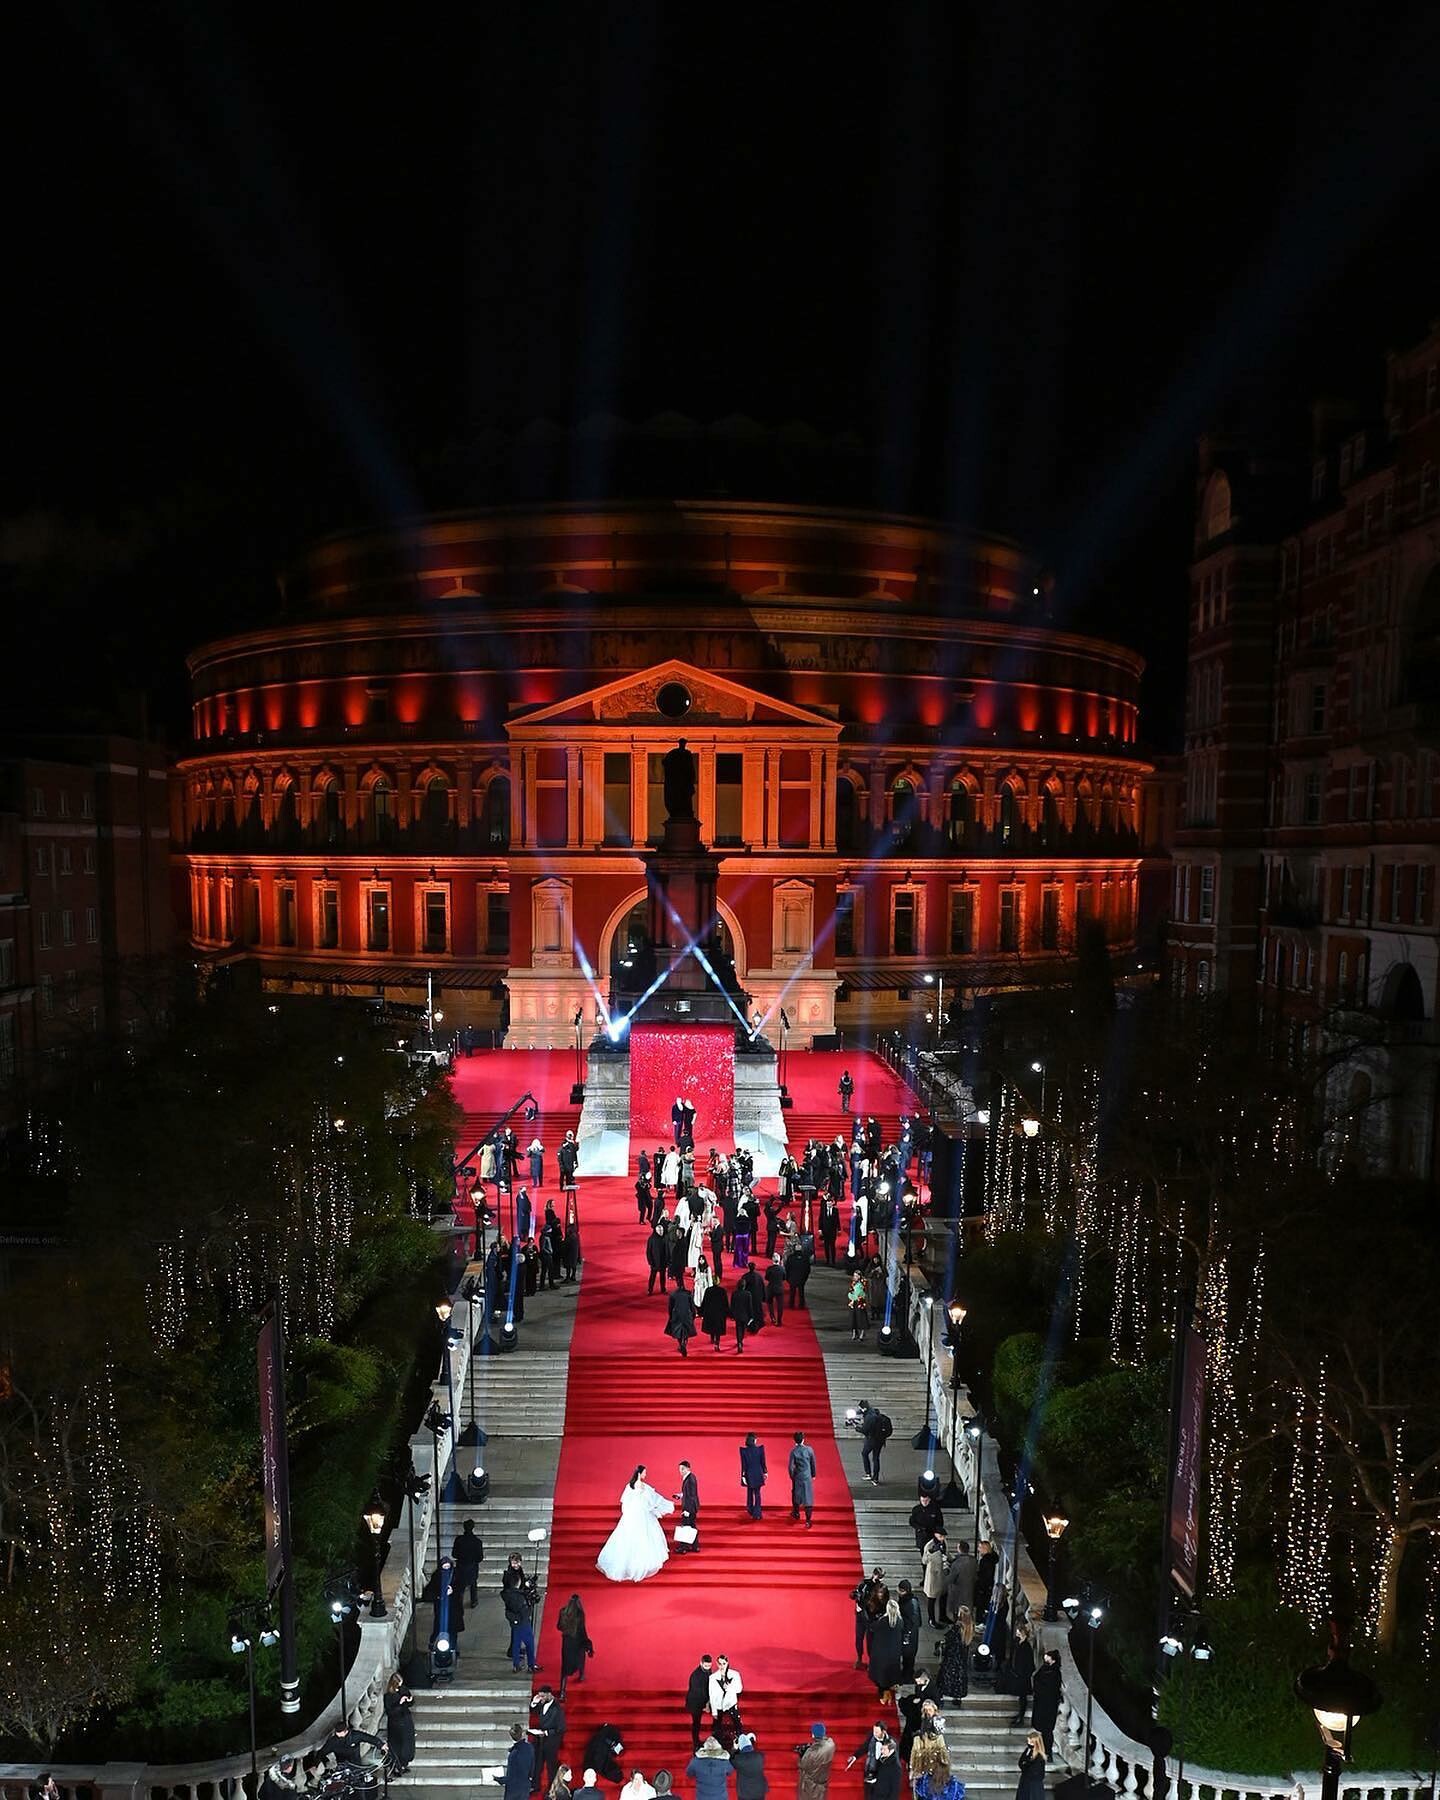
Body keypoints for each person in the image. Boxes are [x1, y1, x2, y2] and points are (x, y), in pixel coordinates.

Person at [596, 1464, 674, 1582]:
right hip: (641, 1515)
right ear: (639, 1473)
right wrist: (666, 1506)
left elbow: (625, 1502)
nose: (645, 1475)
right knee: (643, 1537)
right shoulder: (643, 1486)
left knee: (627, 1538)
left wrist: (627, 1514)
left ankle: (628, 1565)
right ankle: (639, 1565)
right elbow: (652, 1499)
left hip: (632, 1515)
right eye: (644, 1473)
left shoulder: (630, 1486)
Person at [866, 1597, 904, 1705]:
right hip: (894, 1653)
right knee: (891, 1672)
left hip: (882, 1652)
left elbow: (872, 1627)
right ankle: (889, 1692)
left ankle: (884, 1696)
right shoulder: (900, 1621)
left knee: (881, 1676)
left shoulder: (883, 1621)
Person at [557, 1593, 594, 1698]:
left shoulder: (563, 1612)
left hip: (567, 1642)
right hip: (577, 1641)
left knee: (564, 1667)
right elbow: (582, 1630)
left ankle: (562, 1692)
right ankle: (581, 1675)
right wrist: (587, 1642)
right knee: (581, 1658)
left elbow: (559, 1626)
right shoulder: (580, 1615)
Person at [505, 1566, 540, 1672]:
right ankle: (531, 1665)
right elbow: (525, 1611)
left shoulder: (508, 1594)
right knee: (530, 1643)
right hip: (523, 1623)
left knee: (516, 1644)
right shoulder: (520, 1598)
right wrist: (530, 1604)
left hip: (514, 1624)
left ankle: (516, 1665)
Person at [851, 1565, 887, 1668]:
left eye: (881, 1578)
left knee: (871, 1641)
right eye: (878, 1577)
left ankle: (872, 1662)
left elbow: (884, 1603)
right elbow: (855, 1594)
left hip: (872, 1618)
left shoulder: (882, 1588)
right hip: (861, 1616)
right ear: (874, 1574)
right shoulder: (864, 1584)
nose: (880, 1580)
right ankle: (859, 1659)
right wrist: (855, 1596)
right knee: (859, 1638)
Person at [937, 1608, 974, 1704]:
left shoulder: (958, 1627)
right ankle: (957, 1697)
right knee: (959, 1677)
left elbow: (949, 1639)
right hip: (962, 1656)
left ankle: (942, 1695)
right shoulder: (969, 1627)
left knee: (946, 1675)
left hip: (953, 1655)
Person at [907, 1706, 950, 1790]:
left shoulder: (939, 1735)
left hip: (936, 1770)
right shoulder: (918, 1737)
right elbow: (914, 1752)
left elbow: (943, 1751)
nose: (927, 1712)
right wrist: (912, 1769)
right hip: (922, 1767)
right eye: (925, 1710)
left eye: (930, 1710)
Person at [1030, 1649, 1063, 1756]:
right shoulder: (1045, 1668)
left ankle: (1047, 1751)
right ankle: (1042, 1749)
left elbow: (1052, 1688)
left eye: (1047, 1657)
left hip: (1049, 1704)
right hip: (1041, 1702)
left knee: (1047, 1730)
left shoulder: (1055, 1672)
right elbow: (1036, 1678)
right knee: (1043, 1729)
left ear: (1053, 1659)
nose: (1045, 1658)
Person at [896, 1670, 935, 1761]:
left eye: (919, 1681)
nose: (917, 1683)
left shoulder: (933, 1689)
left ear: (925, 1679)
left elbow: (934, 1704)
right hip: (914, 1716)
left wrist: (921, 1702)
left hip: (923, 1719)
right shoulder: (918, 1686)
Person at [708, 1653, 744, 1748]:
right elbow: (712, 1695)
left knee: (737, 1726)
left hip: (731, 1705)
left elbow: (739, 1689)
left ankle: (739, 1746)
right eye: (720, 1664)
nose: (722, 1666)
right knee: (717, 1729)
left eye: (724, 1663)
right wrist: (714, 1711)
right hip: (719, 1706)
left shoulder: (735, 1675)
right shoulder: (712, 1678)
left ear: (727, 1663)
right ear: (717, 1664)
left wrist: (730, 1688)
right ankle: (718, 1747)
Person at [384, 1672, 416, 1775]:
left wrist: (409, 1700)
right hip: (396, 1723)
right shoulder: (388, 1696)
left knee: (407, 1744)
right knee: (397, 1746)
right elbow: (390, 1712)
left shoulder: (403, 1689)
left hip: (405, 1720)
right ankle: (396, 1767)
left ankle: (404, 1764)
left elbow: (410, 1701)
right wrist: (400, 1703)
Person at [1008, 1622, 1037, 1728]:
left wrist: (1023, 1674)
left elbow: (1029, 1663)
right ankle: (1019, 1715)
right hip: (1019, 1675)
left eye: (1018, 1631)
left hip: (1023, 1676)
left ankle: (1021, 1717)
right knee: (1021, 1697)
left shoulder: (1026, 1646)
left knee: (1023, 1697)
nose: (1016, 1632)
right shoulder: (1019, 1643)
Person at [684, 1654, 714, 1751]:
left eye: (709, 1666)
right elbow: (699, 1692)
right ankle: (696, 1744)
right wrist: (706, 1705)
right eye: (706, 1666)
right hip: (695, 1702)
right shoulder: (695, 1676)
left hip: (702, 1700)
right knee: (696, 1723)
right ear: (701, 1663)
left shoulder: (708, 1671)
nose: (708, 1668)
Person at [797, 1725, 836, 1800]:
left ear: (813, 1734)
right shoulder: (831, 1745)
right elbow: (827, 1741)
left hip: (810, 1786)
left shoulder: (810, 1753)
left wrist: (802, 1754)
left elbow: (802, 1765)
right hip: (822, 1783)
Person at [896, 1577, 922, 1681]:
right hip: (910, 1633)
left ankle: (907, 1676)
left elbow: (913, 1621)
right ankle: (907, 1672)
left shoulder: (909, 1603)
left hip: (909, 1634)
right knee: (908, 1656)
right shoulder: (910, 1600)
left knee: (908, 1656)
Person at [787, 1430, 816, 1526]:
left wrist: (792, 1477)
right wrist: (813, 1474)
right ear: (803, 1439)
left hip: (798, 1477)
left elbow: (790, 1467)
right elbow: (813, 1463)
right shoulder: (809, 1450)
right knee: (808, 1497)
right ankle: (808, 1520)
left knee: (796, 1495)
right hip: (807, 1476)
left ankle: (796, 1513)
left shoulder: (794, 1452)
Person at [453, 1518, 484, 1606]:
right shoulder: (477, 1542)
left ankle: (459, 1601)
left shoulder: (459, 1540)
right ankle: (473, 1601)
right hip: (472, 1566)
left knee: (460, 1585)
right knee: (473, 1584)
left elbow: (454, 1554)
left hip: (461, 1565)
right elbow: (480, 1557)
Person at [858, 1401, 891, 1483]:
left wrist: (856, 1427)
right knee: (876, 1458)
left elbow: (864, 1430)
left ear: (864, 1408)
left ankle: (868, 1473)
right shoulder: (876, 1414)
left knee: (864, 1454)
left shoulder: (869, 1417)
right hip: (880, 1440)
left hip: (871, 1440)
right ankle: (875, 1478)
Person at [944, 1541, 976, 1623]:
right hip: (970, 1592)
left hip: (957, 1594)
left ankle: (959, 1630)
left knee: (958, 1615)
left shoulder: (957, 1563)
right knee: (967, 1615)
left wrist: (946, 1571)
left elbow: (950, 1579)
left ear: (959, 1549)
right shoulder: (973, 1561)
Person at [921, 1532, 949, 1627]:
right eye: (940, 1536)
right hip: (933, 1575)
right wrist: (931, 1552)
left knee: (943, 1595)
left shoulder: (944, 1542)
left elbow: (946, 1553)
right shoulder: (929, 1545)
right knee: (932, 1598)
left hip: (943, 1573)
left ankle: (942, 1615)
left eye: (943, 1536)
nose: (942, 1538)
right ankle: (931, 1620)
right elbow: (924, 1560)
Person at [503, 1722, 535, 1800]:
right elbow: (532, 1766)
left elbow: (510, 1777)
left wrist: (497, 1779)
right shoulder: (530, 1747)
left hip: (514, 1790)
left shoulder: (513, 1755)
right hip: (525, 1786)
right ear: (522, 1733)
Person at [729, 1733, 767, 1800]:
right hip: (760, 1790)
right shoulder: (760, 1756)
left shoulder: (739, 1759)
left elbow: (730, 1760)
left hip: (745, 1793)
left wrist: (734, 1748)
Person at [675, 1458, 701, 1553]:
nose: (680, 1471)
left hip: (689, 1508)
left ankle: (683, 1548)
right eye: (680, 1469)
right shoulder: (690, 1477)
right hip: (691, 1506)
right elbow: (688, 1494)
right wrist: (680, 1495)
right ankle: (695, 1546)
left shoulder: (690, 1479)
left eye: (682, 1469)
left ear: (687, 1469)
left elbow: (691, 1496)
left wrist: (687, 1510)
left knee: (686, 1526)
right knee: (691, 1526)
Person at [739, 1432, 767, 1518]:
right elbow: (763, 1462)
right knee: (757, 1493)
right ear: (754, 1440)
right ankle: (757, 1513)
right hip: (758, 1473)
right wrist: (765, 1472)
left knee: (750, 1492)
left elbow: (743, 1465)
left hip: (749, 1474)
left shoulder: (744, 1451)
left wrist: (743, 1476)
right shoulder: (760, 1449)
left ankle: (750, 1509)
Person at [666, 1283, 697, 1356]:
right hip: (687, 1314)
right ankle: (684, 1344)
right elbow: (692, 1306)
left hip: (677, 1315)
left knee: (678, 1332)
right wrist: (693, 1315)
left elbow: (670, 1307)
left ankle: (681, 1344)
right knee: (686, 1332)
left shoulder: (673, 1295)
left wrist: (671, 1316)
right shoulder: (689, 1294)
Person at [700, 1276, 729, 1349]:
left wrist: (701, 1311)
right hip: (719, 1312)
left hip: (710, 1311)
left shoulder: (708, 1290)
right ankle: (717, 1342)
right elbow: (725, 1303)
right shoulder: (722, 1291)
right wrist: (727, 1312)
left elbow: (704, 1302)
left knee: (711, 1326)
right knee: (718, 1328)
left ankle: (712, 1338)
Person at [730, 1271, 756, 1354]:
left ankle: (739, 1342)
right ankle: (740, 1341)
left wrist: (732, 1314)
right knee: (743, 1329)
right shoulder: (748, 1294)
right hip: (745, 1315)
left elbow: (732, 1305)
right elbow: (750, 1306)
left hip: (737, 1314)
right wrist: (751, 1316)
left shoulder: (735, 1293)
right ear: (744, 1286)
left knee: (738, 1329)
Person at [1016, 1733, 1047, 1800]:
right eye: (1028, 1741)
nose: (1029, 1744)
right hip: (1026, 1781)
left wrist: (1025, 1765)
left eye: (1031, 1742)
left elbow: (1030, 1770)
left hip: (1033, 1785)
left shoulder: (1039, 1757)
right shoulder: (1029, 1751)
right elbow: (1020, 1763)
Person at [974, 1540, 998, 1619]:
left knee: (981, 1606)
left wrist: (980, 1585)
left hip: (983, 1587)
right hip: (988, 1586)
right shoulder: (992, 1559)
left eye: (980, 1547)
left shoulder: (985, 1561)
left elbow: (984, 1575)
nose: (978, 1549)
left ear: (985, 1549)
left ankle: (980, 1620)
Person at [646, 1222, 670, 1295]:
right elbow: (648, 1251)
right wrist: (650, 1262)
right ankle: (650, 1290)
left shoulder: (665, 1238)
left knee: (662, 1277)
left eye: (662, 1230)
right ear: (656, 1231)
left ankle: (663, 1289)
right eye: (659, 1231)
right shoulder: (651, 1239)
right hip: (654, 1262)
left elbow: (667, 1250)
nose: (661, 1232)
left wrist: (668, 1260)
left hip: (663, 1261)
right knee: (652, 1277)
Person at [763, 1254, 785, 1326]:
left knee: (769, 1302)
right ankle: (779, 1321)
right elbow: (784, 1278)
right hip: (779, 1288)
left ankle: (772, 1317)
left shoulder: (769, 1269)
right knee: (780, 1305)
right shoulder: (782, 1269)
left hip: (771, 1288)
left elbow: (766, 1278)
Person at [847, 1271, 869, 1341]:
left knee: (861, 1318)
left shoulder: (862, 1283)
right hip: (853, 1303)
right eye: (854, 1276)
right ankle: (854, 1332)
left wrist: (855, 1296)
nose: (854, 1277)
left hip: (860, 1302)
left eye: (856, 1276)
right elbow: (851, 1292)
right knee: (853, 1317)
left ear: (859, 1276)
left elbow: (862, 1293)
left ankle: (862, 1333)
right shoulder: (853, 1283)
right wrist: (851, 1297)